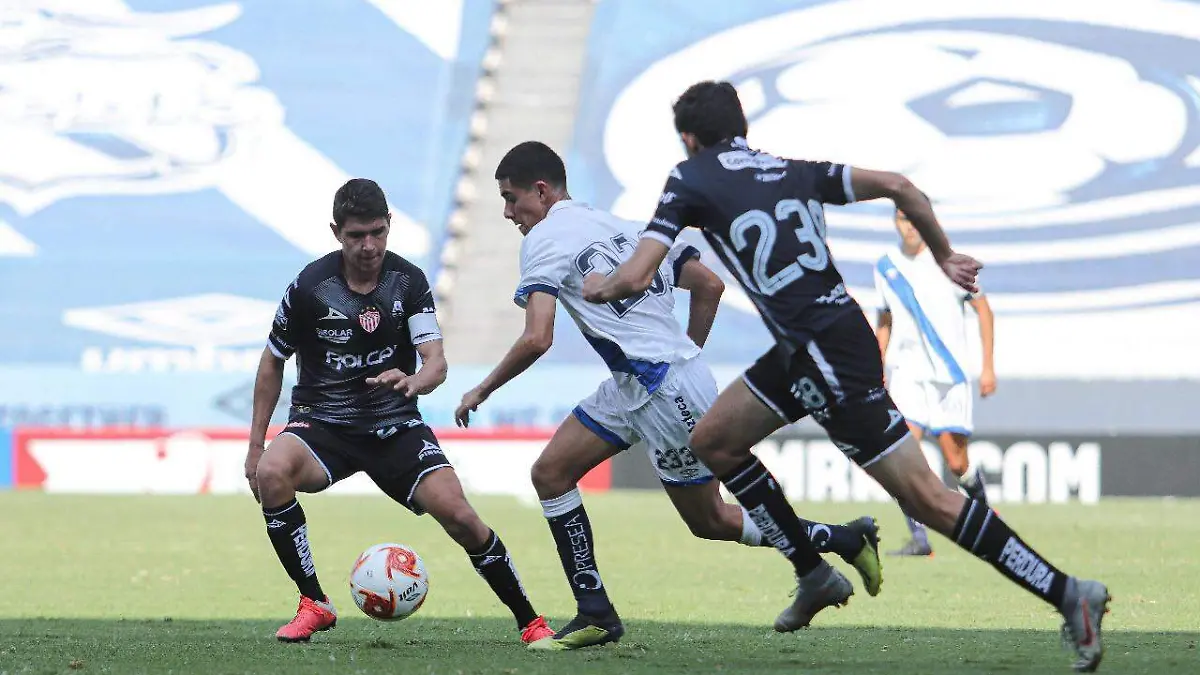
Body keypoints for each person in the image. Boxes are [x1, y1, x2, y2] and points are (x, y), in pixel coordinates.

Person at [583, 81, 1110, 672]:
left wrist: (599, 286)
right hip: (815, 343)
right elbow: (900, 186)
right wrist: (942, 255)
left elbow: (633, 277)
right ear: (744, 127)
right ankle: (813, 574)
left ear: (687, 138)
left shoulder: (690, 178)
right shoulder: (791, 170)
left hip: (825, 355)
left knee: (930, 501)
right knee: (713, 440)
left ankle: (1069, 595)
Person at [453, 141, 883, 651]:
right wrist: (687, 354)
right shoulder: (622, 225)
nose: (508, 213)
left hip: (661, 392)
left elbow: (537, 336)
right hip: (639, 383)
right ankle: (594, 610)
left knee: (711, 520)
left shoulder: (544, 237)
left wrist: (481, 387)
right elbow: (709, 285)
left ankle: (839, 541)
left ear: (541, 192)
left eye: (511, 199)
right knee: (550, 473)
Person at [244, 178, 554, 645]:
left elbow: (436, 361)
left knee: (462, 517)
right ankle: (314, 603)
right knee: (272, 471)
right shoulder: (310, 287)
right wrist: (254, 445)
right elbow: (272, 361)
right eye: (356, 236)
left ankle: (531, 622)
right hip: (323, 425)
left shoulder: (407, 282)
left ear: (389, 226)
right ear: (336, 233)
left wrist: (415, 381)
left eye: (377, 232)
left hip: (395, 425)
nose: (369, 246)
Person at [875, 206, 997, 556]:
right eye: (902, 217)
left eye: (914, 217)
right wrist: (877, 365)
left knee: (956, 462)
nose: (908, 225)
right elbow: (885, 320)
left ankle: (985, 520)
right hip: (908, 375)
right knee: (899, 455)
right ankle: (919, 538)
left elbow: (984, 310)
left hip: (950, 375)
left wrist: (987, 366)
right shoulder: (885, 265)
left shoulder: (951, 263)